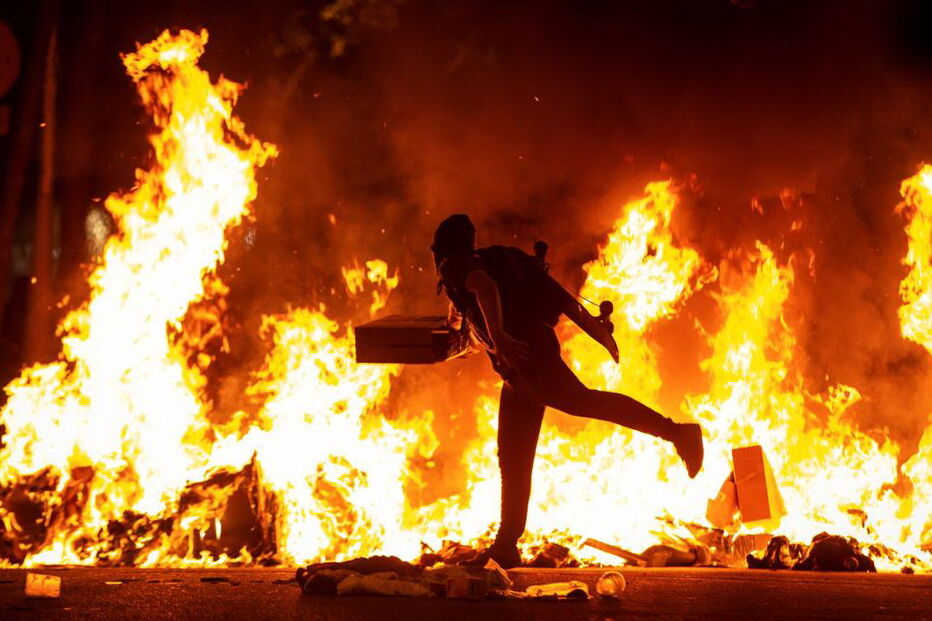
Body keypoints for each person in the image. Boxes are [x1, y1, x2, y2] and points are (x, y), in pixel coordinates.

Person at [431, 214, 704, 568]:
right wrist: (596, 330)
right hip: (521, 367)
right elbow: (556, 297)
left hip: (528, 359)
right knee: (513, 453)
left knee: (581, 402)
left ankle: (678, 433)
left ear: (439, 250)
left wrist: (498, 336)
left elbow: (484, 288)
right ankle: (506, 545)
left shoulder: (455, 266)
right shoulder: (484, 264)